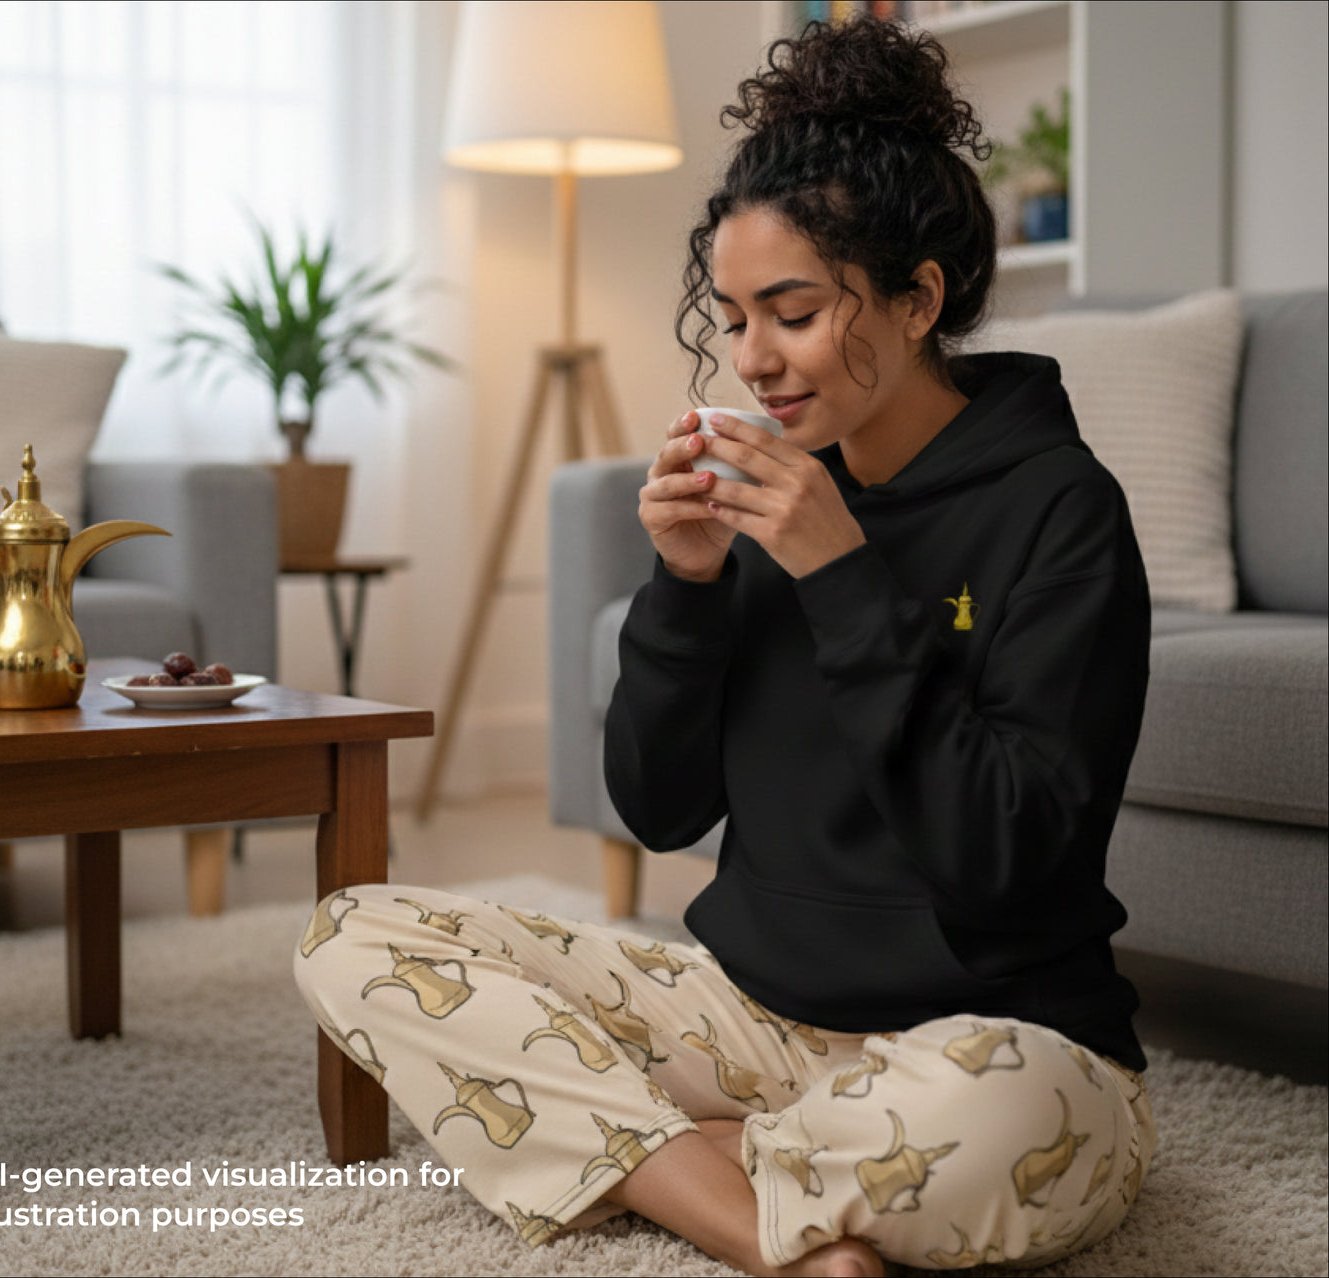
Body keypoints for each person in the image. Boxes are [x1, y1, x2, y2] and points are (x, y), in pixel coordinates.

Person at [294, 17, 1155, 1278]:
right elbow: (656, 810)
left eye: (791, 314)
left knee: (1011, 1121)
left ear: (918, 299)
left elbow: (1008, 862)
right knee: (352, 936)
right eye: (734, 316)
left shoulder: (1060, 511)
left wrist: (841, 577)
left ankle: (651, 1157)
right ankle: (765, 1223)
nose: (751, 360)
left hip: (989, 1039)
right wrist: (685, 586)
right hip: (748, 1023)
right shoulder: (767, 492)